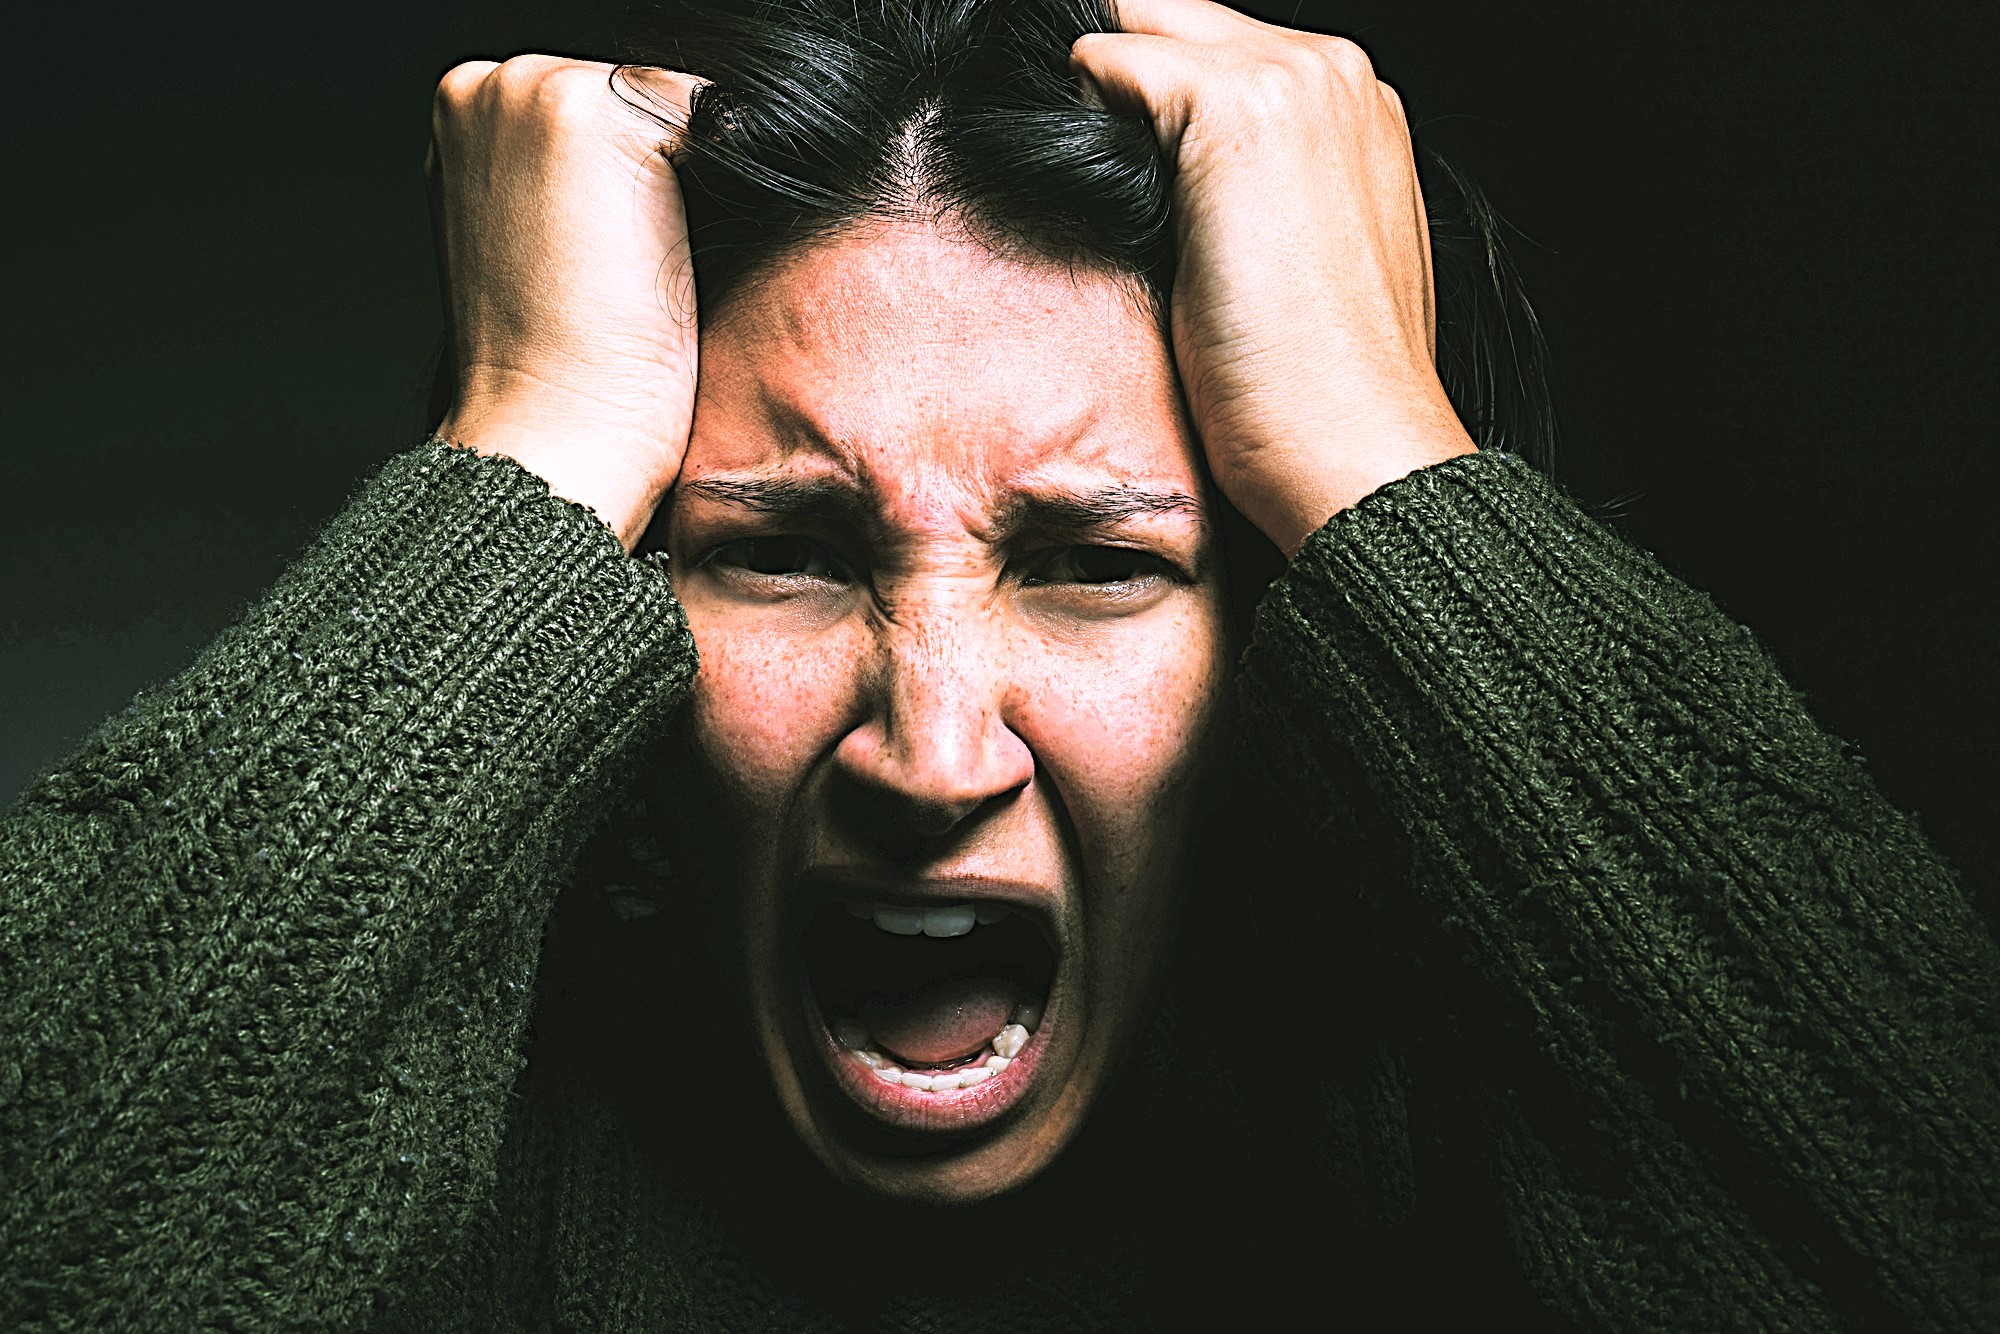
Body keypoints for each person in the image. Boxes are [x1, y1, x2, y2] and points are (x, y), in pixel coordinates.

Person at [3, 0, 1994, 1328]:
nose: (929, 746)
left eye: (1094, 559)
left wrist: (1379, 447)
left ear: (1310, 622)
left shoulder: (1487, 1189)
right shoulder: (441, 1205)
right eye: (774, 547)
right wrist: (535, 432)